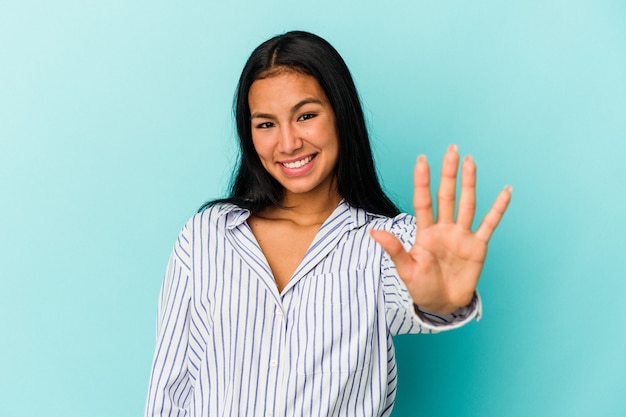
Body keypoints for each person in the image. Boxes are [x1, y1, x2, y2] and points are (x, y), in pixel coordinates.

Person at [144, 30, 511, 417]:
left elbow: (425, 299)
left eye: (305, 116)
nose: (287, 143)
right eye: (266, 124)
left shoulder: (389, 244)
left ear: (341, 114)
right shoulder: (206, 236)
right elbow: (170, 387)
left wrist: (441, 300)